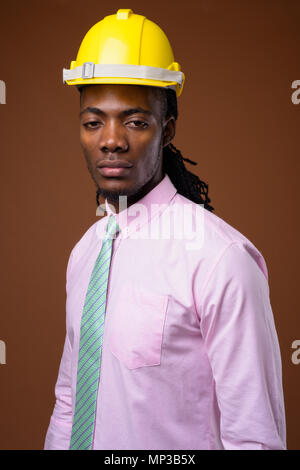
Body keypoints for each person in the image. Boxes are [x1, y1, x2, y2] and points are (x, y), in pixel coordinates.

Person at [44, 9, 286, 450]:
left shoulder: (219, 259)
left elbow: (254, 437)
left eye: (135, 121)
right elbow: (69, 403)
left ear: (167, 129)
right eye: (93, 121)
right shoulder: (85, 253)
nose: (111, 139)